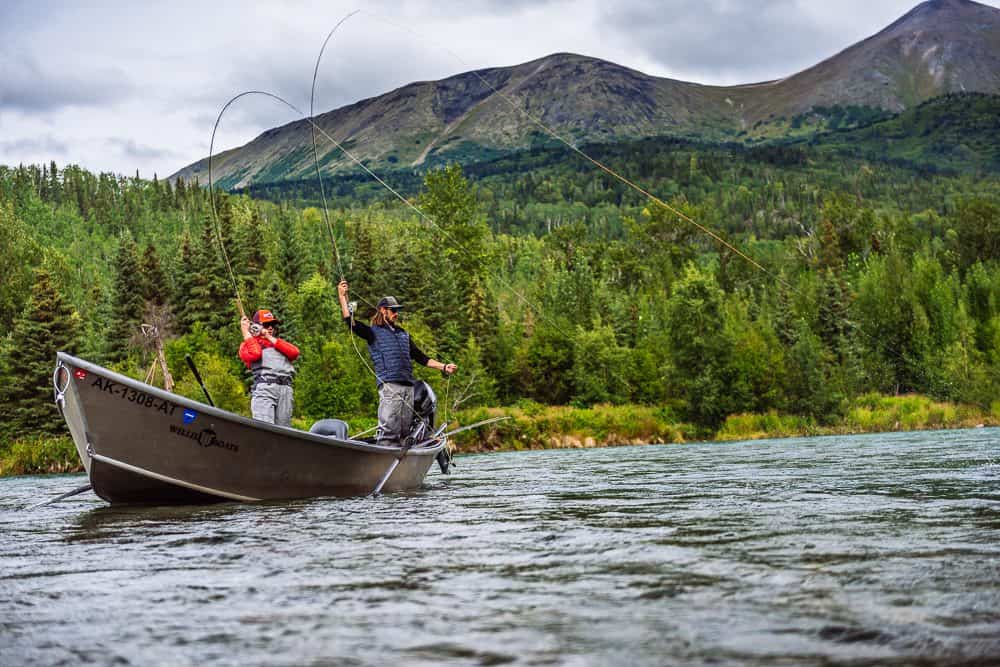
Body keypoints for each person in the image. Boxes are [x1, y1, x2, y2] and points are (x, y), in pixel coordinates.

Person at [337, 280, 456, 446]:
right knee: (389, 431)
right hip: (390, 387)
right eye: (393, 310)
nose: (396, 314)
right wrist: (343, 297)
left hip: (408, 387)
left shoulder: (403, 334)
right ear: (382, 310)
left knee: (403, 432)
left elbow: (421, 357)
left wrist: (443, 367)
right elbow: (351, 323)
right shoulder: (372, 333)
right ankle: (382, 458)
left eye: (397, 311)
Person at [239, 309, 300, 426]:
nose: (271, 327)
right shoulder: (247, 344)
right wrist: (246, 333)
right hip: (265, 389)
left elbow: (295, 352)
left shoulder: (277, 342)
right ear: (256, 326)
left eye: (272, 324)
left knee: (284, 433)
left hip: (286, 391)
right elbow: (255, 353)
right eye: (266, 325)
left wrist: (268, 337)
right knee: (266, 429)